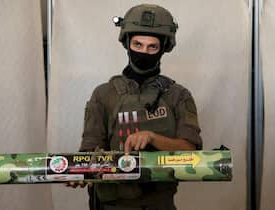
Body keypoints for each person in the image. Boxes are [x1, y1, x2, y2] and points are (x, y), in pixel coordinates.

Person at [67, 4, 202, 210]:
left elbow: (190, 151)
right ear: (127, 43)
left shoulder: (178, 95)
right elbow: (89, 150)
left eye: (152, 47)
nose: (144, 52)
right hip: (111, 203)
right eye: (137, 45)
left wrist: (153, 138)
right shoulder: (103, 94)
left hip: (158, 204)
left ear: (164, 47)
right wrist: (81, 172)